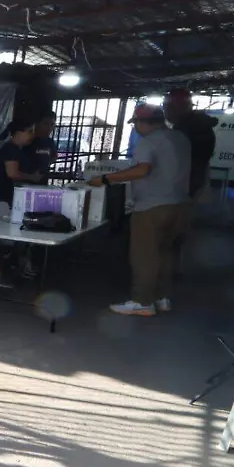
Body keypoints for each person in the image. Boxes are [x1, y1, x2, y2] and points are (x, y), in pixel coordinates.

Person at [88, 104, 191, 317]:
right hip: (179, 205)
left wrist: (105, 179)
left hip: (152, 207)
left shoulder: (148, 142)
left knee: (144, 255)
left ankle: (142, 301)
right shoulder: (180, 139)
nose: (135, 128)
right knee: (165, 252)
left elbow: (143, 169)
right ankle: (162, 298)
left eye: (135, 123)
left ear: (144, 123)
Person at [0, 118, 41, 286]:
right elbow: (12, 173)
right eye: (29, 131)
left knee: (14, 238)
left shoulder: (17, 149)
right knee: (7, 240)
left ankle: (11, 270)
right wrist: (32, 177)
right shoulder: (10, 149)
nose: (32, 135)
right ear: (18, 133)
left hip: (12, 199)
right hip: (6, 199)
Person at [163, 89, 217, 201]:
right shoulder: (198, 125)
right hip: (193, 186)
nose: (165, 111)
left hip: (183, 189)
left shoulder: (188, 129)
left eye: (168, 107)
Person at [22, 110, 57, 185]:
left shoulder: (50, 142)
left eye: (52, 124)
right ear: (37, 124)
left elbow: (54, 156)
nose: (49, 128)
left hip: (42, 183)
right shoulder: (27, 140)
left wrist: (45, 166)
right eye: (46, 124)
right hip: (24, 184)